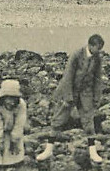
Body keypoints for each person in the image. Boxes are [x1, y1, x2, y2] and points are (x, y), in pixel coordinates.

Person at [36, 34, 105, 164]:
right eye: (98, 48)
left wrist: (97, 97)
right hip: (70, 90)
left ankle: (93, 152)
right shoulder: (77, 55)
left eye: (101, 48)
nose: (99, 51)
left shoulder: (97, 59)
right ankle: (48, 150)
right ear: (90, 45)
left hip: (86, 93)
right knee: (58, 119)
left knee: (88, 121)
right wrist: (68, 96)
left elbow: (97, 79)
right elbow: (68, 76)